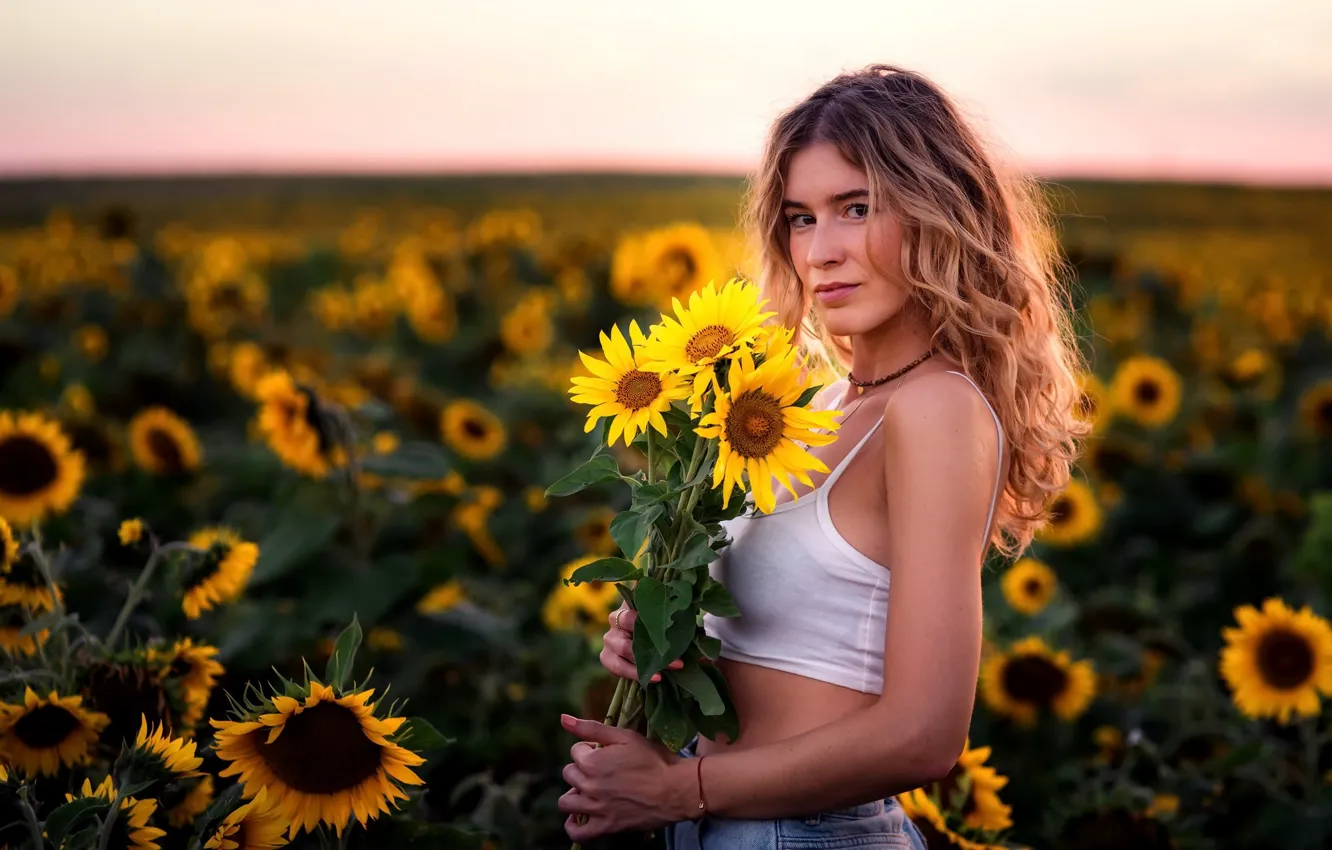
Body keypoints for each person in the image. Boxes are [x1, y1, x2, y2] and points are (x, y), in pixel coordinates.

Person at [557, 63, 1088, 848]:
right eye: (801, 218)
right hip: (720, 825)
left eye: (856, 208)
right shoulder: (821, 411)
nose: (822, 251)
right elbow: (796, 641)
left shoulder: (934, 411)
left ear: (938, 213)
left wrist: (681, 788)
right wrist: (667, 637)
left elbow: (925, 733)